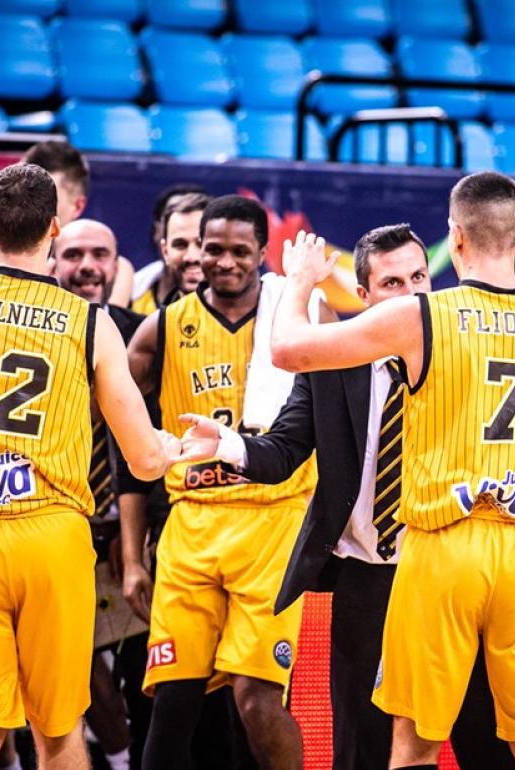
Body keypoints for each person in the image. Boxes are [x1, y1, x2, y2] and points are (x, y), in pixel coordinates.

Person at [266, 173, 515, 769]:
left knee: (413, 748)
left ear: (454, 241)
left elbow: (289, 350)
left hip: (443, 547)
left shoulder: (421, 317)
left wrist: (299, 283)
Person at [178, 224, 515, 770]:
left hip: (455, 570)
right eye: (391, 284)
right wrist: (228, 445)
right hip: (368, 578)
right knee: (363, 747)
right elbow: (284, 450)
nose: (409, 296)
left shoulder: (467, 350)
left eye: (418, 278)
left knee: (484, 737)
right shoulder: (335, 363)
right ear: (363, 297)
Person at [0, 163, 187, 770]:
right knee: (57, 732)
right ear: (55, 227)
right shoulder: (88, 321)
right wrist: (186, 447)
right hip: (49, 536)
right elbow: (143, 457)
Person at [124, 195, 316, 770]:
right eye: (213, 249)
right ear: (193, 252)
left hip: (272, 521)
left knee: (257, 702)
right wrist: (134, 554)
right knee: (172, 701)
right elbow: (118, 423)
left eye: (239, 250)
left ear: (263, 252)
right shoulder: (160, 329)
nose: (224, 261)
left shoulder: (297, 316)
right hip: (193, 526)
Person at [51, 218, 148, 770]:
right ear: (52, 262)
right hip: (59, 530)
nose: (88, 266)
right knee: (70, 669)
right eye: (74, 254)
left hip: (133, 535)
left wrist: (135, 538)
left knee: (146, 677)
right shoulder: (30, 336)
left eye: (100, 254)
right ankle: (115, 760)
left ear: (117, 266)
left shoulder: (143, 333)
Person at [0, 140, 136, 307]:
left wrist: (2, 274)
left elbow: (98, 334)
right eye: (23, 192)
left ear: (78, 206)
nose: (30, 204)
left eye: (46, 196)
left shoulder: (114, 270)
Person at [130, 191, 210, 316]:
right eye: (180, 245)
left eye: (202, 244)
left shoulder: (251, 321)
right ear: (165, 251)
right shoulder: (152, 328)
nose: (192, 257)